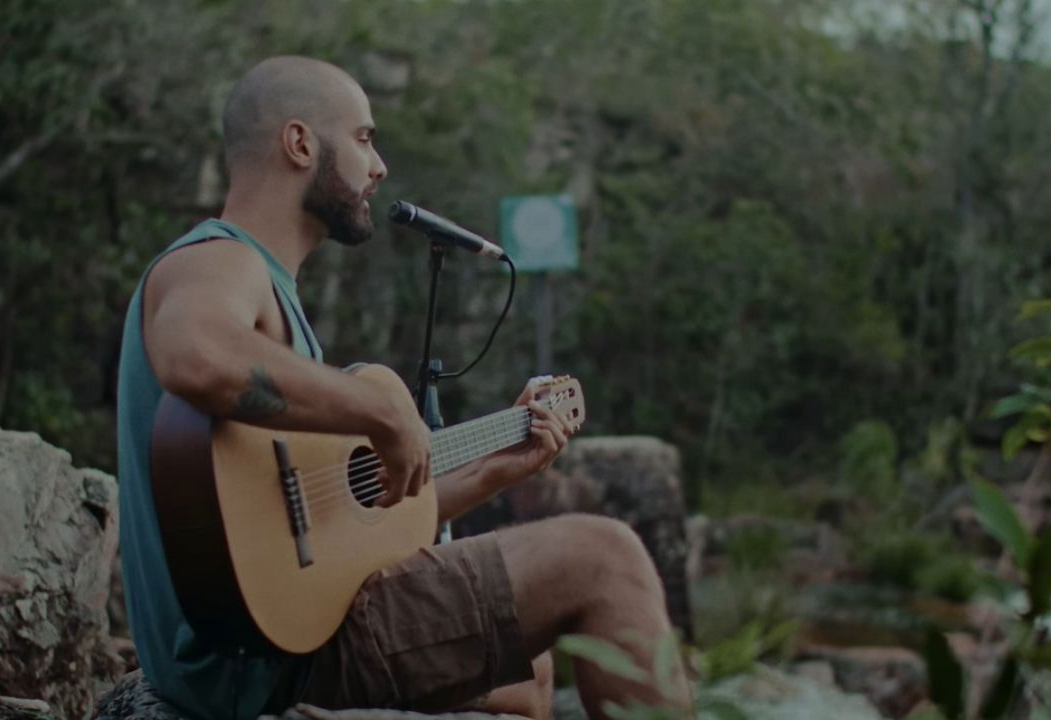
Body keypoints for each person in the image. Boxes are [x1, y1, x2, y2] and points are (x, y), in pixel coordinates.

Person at [116, 55, 688, 720]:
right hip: (259, 662)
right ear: (299, 143)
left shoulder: (272, 298)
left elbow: (355, 531)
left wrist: (498, 469)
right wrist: (383, 411)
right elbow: (196, 356)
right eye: (363, 138)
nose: (379, 165)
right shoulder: (221, 259)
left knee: (529, 675)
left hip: (272, 644)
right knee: (603, 558)